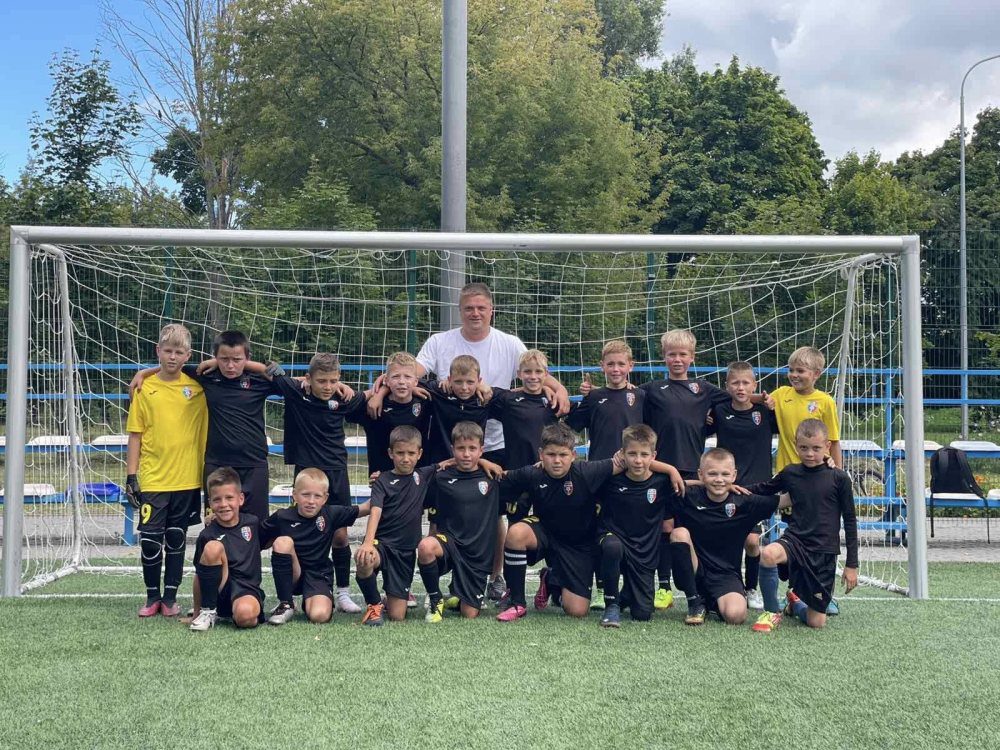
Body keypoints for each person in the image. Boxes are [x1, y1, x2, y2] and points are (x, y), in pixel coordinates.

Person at [374, 282, 572, 600]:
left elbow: (534, 371)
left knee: (495, 514)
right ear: (460, 310)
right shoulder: (440, 342)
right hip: (447, 447)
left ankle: (495, 577)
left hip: (494, 445)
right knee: (438, 514)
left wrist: (559, 388)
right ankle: (434, 575)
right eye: (469, 308)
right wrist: (383, 387)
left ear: (492, 309)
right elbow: (408, 374)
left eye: (481, 308)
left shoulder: (509, 343)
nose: (475, 313)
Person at [254, 352, 367, 614]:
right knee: (301, 533)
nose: (328, 386)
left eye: (333, 381)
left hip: (336, 472)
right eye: (321, 381)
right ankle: (296, 589)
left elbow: (371, 396)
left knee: (340, 535)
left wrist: (374, 390)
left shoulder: (343, 398)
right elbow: (267, 368)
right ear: (309, 378)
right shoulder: (296, 391)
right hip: (306, 472)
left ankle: (343, 592)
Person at [130, 330, 282, 523]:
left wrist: (259, 367)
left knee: (257, 529)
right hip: (217, 464)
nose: (230, 365)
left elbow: (293, 385)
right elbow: (174, 367)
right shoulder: (207, 375)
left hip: (254, 465)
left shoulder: (260, 380)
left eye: (237, 359)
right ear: (215, 357)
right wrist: (143, 372)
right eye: (224, 359)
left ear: (247, 358)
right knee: (216, 526)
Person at [639, 329, 731, 612]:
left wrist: (764, 401)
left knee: (690, 531)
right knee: (665, 528)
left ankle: (702, 588)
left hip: (693, 472)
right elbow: (625, 397)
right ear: (663, 357)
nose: (677, 359)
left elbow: (737, 399)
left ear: (692, 357)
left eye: (682, 354)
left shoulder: (704, 389)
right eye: (671, 354)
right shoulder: (652, 389)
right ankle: (664, 587)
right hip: (660, 470)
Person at [496, 423, 624, 622]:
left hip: (578, 546)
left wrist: (671, 471)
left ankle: (550, 579)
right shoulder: (533, 473)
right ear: (541, 454)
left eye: (563, 455)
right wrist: (483, 463)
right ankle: (517, 602)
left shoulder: (587, 471)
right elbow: (498, 476)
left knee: (577, 611)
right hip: (545, 533)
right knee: (516, 533)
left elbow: (630, 462)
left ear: (573, 455)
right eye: (551, 454)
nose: (557, 461)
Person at [125, 323, 208, 618]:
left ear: (188, 355)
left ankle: (170, 598)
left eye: (179, 352)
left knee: (176, 538)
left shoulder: (198, 388)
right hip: (153, 479)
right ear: (158, 351)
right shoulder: (144, 388)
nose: (173, 357)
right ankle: (152, 597)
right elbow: (135, 434)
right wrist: (131, 476)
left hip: (187, 479)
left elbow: (224, 366)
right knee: (150, 540)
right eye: (168, 351)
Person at [747, 420, 858, 631]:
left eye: (816, 448)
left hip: (823, 551)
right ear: (795, 445)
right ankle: (771, 612)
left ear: (827, 446)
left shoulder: (839, 478)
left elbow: (850, 521)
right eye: (804, 448)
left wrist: (852, 565)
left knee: (816, 622)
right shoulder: (791, 473)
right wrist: (733, 488)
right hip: (795, 540)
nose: (809, 453)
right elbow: (764, 488)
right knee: (768, 554)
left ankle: (794, 603)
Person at [760, 345, 843, 622]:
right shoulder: (781, 395)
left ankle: (815, 593)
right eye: (791, 370)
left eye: (801, 371)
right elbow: (756, 399)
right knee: (794, 534)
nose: (794, 375)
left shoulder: (825, 402)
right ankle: (795, 592)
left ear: (816, 374)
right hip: (790, 480)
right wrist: (762, 401)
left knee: (817, 537)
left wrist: (837, 475)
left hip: (819, 482)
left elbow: (834, 441)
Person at [667, 448, 787, 626]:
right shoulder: (688, 496)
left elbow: (785, 501)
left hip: (726, 576)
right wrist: (701, 484)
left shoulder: (743, 501)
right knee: (679, 534)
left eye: (725, 474)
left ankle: (711, 603)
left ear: (734, 475)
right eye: (712, 474)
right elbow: (663, 485)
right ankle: (695, 602)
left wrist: (815, 472)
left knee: (736, 616)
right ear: (700, 474)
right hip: (694, 570)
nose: (719, 479)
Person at [706, 361, 779, 610]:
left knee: (751, 541)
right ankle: (730, 585)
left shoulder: (765, 412)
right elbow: (698, 427)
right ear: (727, 386)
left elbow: (790, 430)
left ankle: (751, 588)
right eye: (735, 383)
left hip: (757, 488)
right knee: (730, 540)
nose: (740, 387)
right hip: (726, 486)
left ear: (754, 385)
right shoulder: (719, 411)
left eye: (746, 382)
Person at [259, 468, 371, 626]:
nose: (311, 501)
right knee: (283, 542)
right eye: (305, 495)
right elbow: (256, 542)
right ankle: (286, 604)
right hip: (292, 574)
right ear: (294, 494)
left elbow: (365, 508)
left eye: (317, 496)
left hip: (318, 575)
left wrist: (383, 488)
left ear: (325, 498)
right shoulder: (281, 517)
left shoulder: (330, 514)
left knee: (319, 616)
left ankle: (315, 599)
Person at [416, 422, 502, 622]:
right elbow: (410, 480)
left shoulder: (493, 477)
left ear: (481, 450)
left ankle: (459, 595)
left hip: (476, 556)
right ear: (452, 449)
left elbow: (524, 477)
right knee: (426, 546)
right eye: (461, 448)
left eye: (472, 449)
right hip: (450, 544)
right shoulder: (440, 478)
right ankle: (436, 599)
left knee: (468, 614)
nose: (466, 454)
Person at [596, 424, 681, 628]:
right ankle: (611, 605)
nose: (638, 460)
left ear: (654, 456)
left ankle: (627, 594)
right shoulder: (609, 479)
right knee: (612, 546)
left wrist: (672, 470)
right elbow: (579, 474)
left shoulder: (662, 482)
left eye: (644, 454)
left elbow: (694, 486)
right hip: (614, 542)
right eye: (632, 454)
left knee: (642, 614)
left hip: (644, 552)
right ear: (622, 453)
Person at [355, 426, 440, 626]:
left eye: (411, 453)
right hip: (382, 545)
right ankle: (374, 605)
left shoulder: (423, 475)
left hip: (405, 552)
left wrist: (484, 462)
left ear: (419, 454)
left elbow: (448, 463)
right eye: (400, 453)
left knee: (397, 615)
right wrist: (368, 542)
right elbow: (375, 512)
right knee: (364, 558)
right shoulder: (382, 480)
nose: (405, 458)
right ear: (390, 453)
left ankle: (388, 600)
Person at [189, 468, 265, 631]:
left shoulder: (253, 523)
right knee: (213, 547)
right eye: (217, 500)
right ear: (210, 503)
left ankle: (243, 611)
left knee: (245, 616)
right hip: (219, 592)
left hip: (246, 589)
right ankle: (207, 611)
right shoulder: (207, 535)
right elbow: (199, 575)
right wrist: (196, 612)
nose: (223, 504)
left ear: (240, 499)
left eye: (229, 498)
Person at [349, 352, 432, 478]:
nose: (402, 382)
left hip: (417, 481)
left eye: (407, 377)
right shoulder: (373, 405)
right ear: (386, 380)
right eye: (396, 377)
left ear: (416, 381)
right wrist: (375, 393)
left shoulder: (425, 400)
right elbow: (345, 405)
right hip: (381, 480)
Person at [566, 339, 645, 461]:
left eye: (621, 364)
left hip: (631, 465)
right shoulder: (593, 397)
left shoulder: (640, 395)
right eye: (610, 364)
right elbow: (572, 424)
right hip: (600, 465)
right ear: (602, 366)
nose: (615, 369)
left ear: (631, 366)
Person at [487, 349, 560, 471]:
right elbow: (481, 391)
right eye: (527, 371)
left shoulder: (553, 401)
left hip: (546, 472)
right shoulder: (507, 400)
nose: (533, 376)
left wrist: (589, 391)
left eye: (538, 371)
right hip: (515, 471)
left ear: (546, 374)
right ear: (519, 374)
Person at [421, 355, 491, 464]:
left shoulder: (486, 396)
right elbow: (410, 380)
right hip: (439, 464)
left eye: (470, 382)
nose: (464, 387)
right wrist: (413, 388)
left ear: (479, 381)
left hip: (471, 464)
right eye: (458, 382)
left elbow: (511, 397)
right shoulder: (440, 391)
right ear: (449, 380)